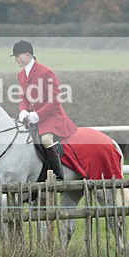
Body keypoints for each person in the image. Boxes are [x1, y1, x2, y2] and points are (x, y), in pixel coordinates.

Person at [11, 40, 77, 180]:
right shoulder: (21, 75)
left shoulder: (46, 72)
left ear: (27, 55)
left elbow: (55, 100)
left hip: (51, 117)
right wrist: (23, 111)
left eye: (18, 56)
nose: (16, 59)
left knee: (46, 139)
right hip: (32, 117)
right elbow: (23, 98)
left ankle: (58, 175)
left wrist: (37, 115)